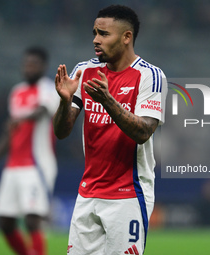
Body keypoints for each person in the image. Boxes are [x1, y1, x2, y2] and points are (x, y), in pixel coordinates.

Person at [53, 5, 167, 255]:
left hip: (128, 194)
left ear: (126, 37)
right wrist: (64, 102)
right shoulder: (85, 71)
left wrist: (108, 100)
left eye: (104, 34)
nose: (95, 40)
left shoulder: (150, 76)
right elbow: (62, 131)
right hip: (88, 192)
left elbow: (144, 131)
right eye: (94, 32)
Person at [0, 46, 59, 255]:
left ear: (43, 66)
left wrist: (22, 117)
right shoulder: (17, 92)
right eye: (26, 64)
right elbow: (11, 134)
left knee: (31, 219)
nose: (29, 68)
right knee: (4, 221)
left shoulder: (48, 88)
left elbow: (43, 110)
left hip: (37, 163)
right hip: (13, 166)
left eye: (34, 64)